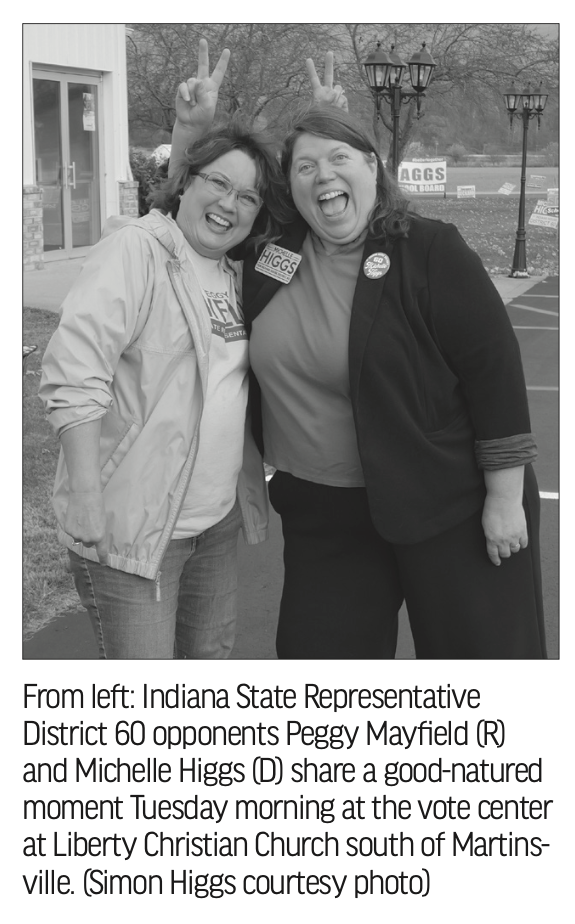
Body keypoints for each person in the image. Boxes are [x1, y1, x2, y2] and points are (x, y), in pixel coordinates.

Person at [171, 51, 547, 660]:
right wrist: (191, 131)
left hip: (447, 501)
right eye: (305, 167)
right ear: (287, 187)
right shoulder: (271, 252)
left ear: (374, 165)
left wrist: (503, 499)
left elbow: (494, 374)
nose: (323, 177)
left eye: (341, 158)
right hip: (326, 515)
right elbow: (186, 226)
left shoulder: (428, 250)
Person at [39, 43, 289, 660]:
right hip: (135, 532)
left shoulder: (235, 274)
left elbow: (228, 385)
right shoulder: (138, 251)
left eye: (248, 196)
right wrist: (88, 499)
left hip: (213, 526)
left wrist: (247, 481)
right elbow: (75, 372)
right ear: (188, 184)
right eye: (218, 184)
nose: (229, 204)